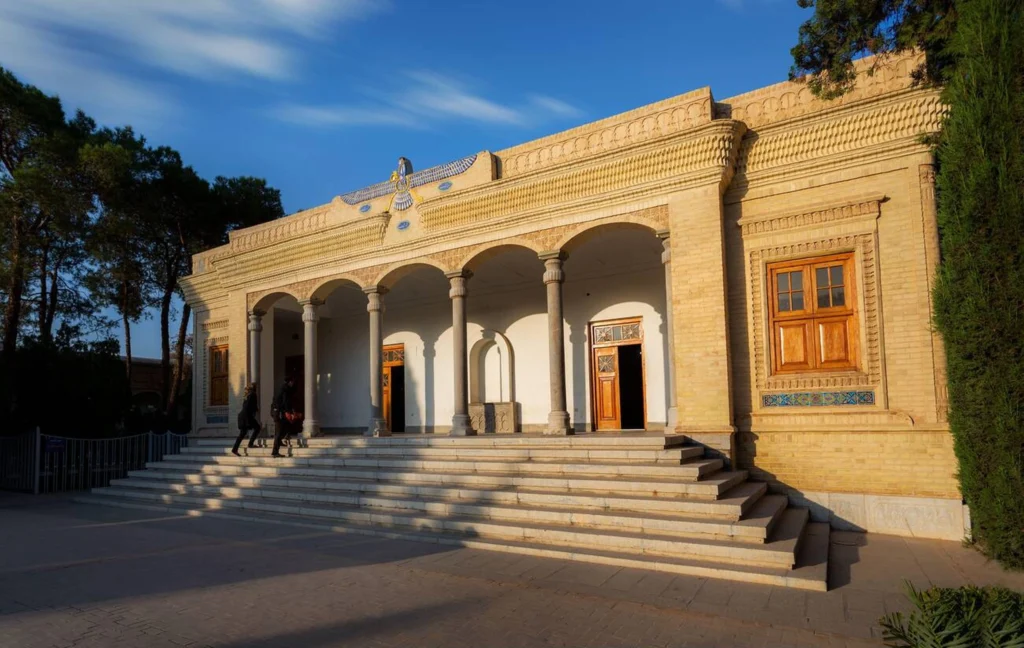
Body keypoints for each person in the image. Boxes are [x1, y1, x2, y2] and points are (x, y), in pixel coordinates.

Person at [271, 376, 298, 458]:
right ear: (290, 382)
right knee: (279, 432)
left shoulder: (282, 389)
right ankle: (275, 452)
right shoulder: (285, 390)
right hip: (279, 413)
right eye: (292, 382)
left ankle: (281, 440)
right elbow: (286, 402)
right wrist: (290, 412)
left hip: (277, 412)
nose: (293, 384)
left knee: (286, 425)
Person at [231, 383, 261, 456]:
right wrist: (257, 409)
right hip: (247, 416)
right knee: (257, 428)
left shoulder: (247, 396)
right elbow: (253, 406)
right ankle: (250, 444)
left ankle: (234, 449)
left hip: (243, 416)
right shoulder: (253, 394)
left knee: (242, 433)